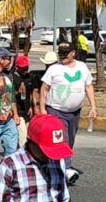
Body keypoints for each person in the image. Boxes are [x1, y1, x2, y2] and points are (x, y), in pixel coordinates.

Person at [40, 43, 97, 183]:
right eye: (61, 53)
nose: (63, 56)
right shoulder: (54, 69)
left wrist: (93, 107)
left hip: (74, 112)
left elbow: (88, 87)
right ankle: (66, 169)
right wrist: (42, 110)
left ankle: (53, 165)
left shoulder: (82, 67)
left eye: (66, 53)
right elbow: (44, 89)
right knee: (62, 139)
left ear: (73, 53)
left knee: (70, 140)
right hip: (56, 110)